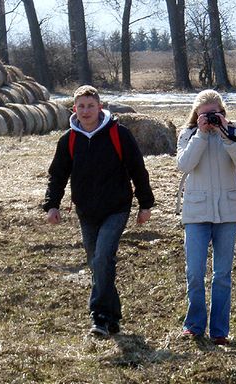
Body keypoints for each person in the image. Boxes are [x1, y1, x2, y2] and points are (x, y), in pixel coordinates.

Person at [43, 85, 154, 337]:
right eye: (81, 106)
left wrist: (145, 204)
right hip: (86, 211)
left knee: (103, 257)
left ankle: (99, 315)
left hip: (117, 208)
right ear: (74, 109)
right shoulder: (69, 139)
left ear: (99, 107)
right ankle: (113, 315)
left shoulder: (119, 134)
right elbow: (57, 175)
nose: (86, 111)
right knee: (97, 263)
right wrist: (52, 204)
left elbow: (138, 169)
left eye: (90, 106)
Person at [177, 89, 236, 345]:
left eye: (215, 114)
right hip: (196, 212)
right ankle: (194, 325)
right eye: (205, 115)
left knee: (222, 275)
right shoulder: (188, 135)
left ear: (223, 112)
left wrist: (227, 137)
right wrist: (200, 135)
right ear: (196, 115)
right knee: (194, 272)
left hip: (228, 212)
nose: (210, 119)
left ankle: (220, 331)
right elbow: (184, 165)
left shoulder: (234, 132)